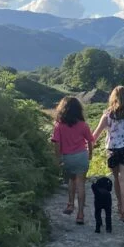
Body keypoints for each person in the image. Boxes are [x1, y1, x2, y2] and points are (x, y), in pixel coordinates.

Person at [92, 86, 124, 223]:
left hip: (113, 149)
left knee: (117, 179)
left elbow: (95, 135)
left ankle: (120, 205)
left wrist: (86, 146)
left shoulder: (107, 114)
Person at [51, 96, 93, 225]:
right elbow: (90, 141)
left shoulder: (59, 126)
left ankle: (70, 204)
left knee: (71, 180)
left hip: (68, 157)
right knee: (81, 184)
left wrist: (58, 158)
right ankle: (80, 214)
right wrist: (90, 154)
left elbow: (56, 143)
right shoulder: (83, 125)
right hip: (81, 156)